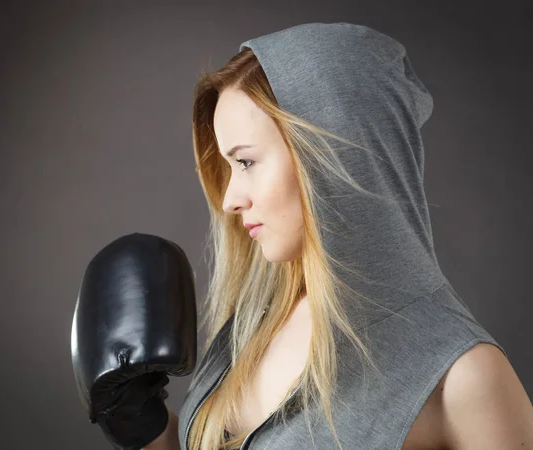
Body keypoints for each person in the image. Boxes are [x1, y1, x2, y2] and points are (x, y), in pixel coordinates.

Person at [172, 22, 532, 450]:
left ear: (332, 155)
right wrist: (144, 427)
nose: (230, 199)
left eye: (246, 162)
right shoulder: (257, 324)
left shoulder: (463, 377)